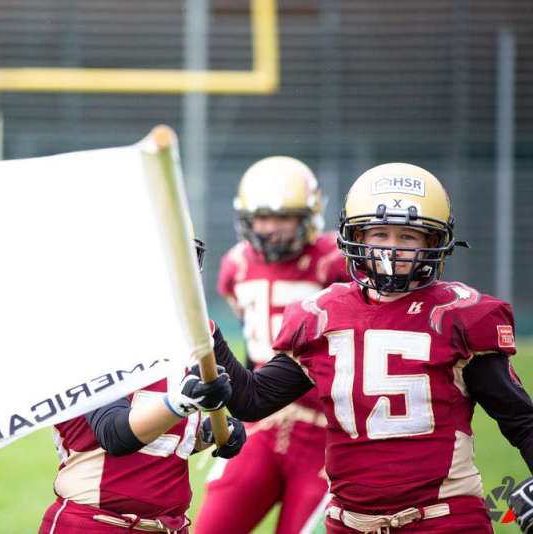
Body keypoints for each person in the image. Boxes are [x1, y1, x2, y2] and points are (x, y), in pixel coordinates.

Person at [207, 162, 533, 533]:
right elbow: (254, 399)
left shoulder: (459, 317)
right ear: (356, 236)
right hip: (350, 523)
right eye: (379, 234)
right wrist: (210, 338)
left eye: (407, 237)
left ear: (433, 241)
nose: (391, 249)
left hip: (442, 520)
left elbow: (520, 419)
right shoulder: (321, 315)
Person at [38, 239, 247, 534]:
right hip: (97, 524)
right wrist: (186, 401)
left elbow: (156, 442)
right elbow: (115, 434)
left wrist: (204, 435)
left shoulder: (185, 335)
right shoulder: (87, 333)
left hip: (171, 526)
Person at [195, 156, 346, 534]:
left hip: (324, 431)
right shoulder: (236, 266)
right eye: (262, 217)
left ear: (308, 216)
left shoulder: (335, 263)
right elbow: (251, 341)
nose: (271, 229)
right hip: (261, 424)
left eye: (283, 218)